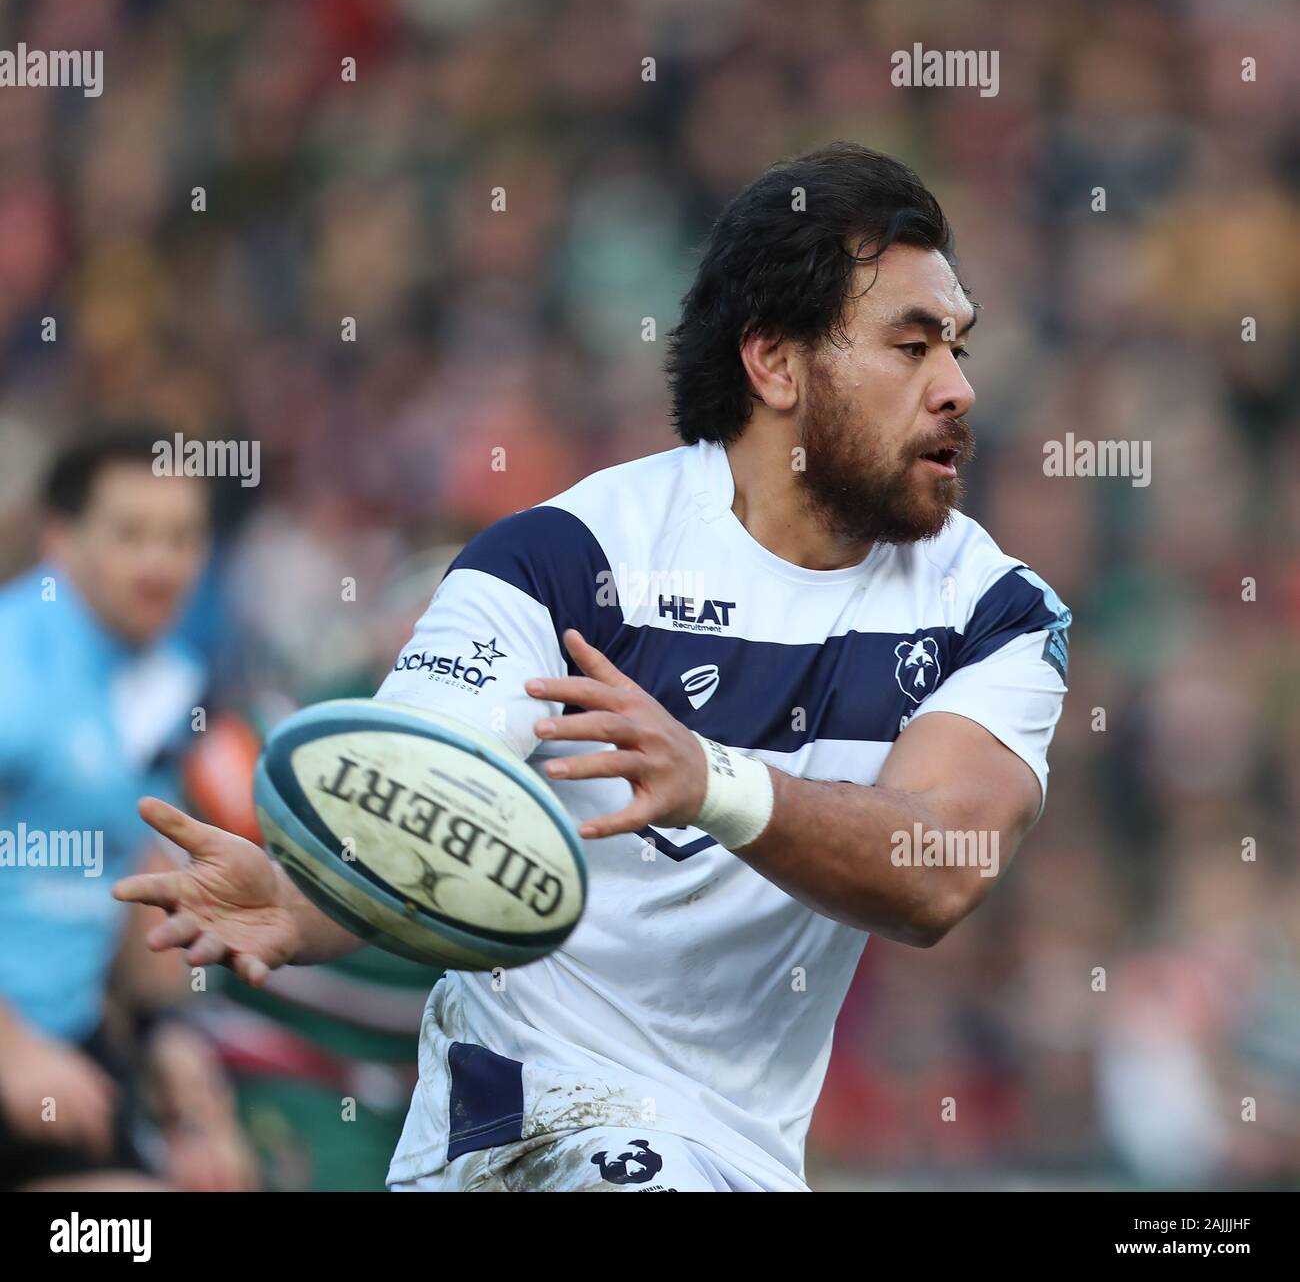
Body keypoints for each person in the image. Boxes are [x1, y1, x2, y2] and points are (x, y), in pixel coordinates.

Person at [117, 143, 1071, 1192]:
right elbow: (428, 796)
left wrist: (712, 781)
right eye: (912, 344)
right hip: (522, 1124)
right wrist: (317, 898)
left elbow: (940, 867)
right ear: (777, 364)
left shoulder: (993, 610)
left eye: (959, 347)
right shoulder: (559, 561)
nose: (958, 388)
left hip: (740, 1152)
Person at [0, 429, 256, 1191]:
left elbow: (142, 891)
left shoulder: (171, 683)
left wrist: (189, 1083)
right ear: (59, 537)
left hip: (69, 1057)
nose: (160, 564)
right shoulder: (13, 669)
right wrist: (10, 1050)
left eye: (181, 537)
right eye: (131, 534)